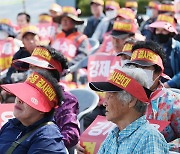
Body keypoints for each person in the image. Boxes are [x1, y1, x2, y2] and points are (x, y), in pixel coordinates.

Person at [88, 67, 169, 153]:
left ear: (131, 101)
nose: (104, 103)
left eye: (110, 96)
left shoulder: (149, 138)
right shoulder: (113, 136)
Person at [13, 46, 80, 149]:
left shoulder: (66, 99)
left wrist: (44, 144)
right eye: (30, 68)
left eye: (35, 68)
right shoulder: (25, 94)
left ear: (51, 73)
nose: (30, 73)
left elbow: (71, 134)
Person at [126, 40, 180, 152]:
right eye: (134, 67)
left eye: (144, 68)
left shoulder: (172, 103)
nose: (138, 72)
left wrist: (163, 148)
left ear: (158, 72)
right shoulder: (123, 98)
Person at [0, 69, 67, 153]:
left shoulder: (48, 139)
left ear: (42, 109)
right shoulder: (11, 125)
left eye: (28, 98)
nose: (19, 99)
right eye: (22, 93)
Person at [149, 13, 180, 89]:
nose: (160, 33)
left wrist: (169, 84)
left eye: (164, 30)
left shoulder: (177, 47)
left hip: (173, 91)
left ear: (171, 32)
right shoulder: (151, 47)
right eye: (158, 30)